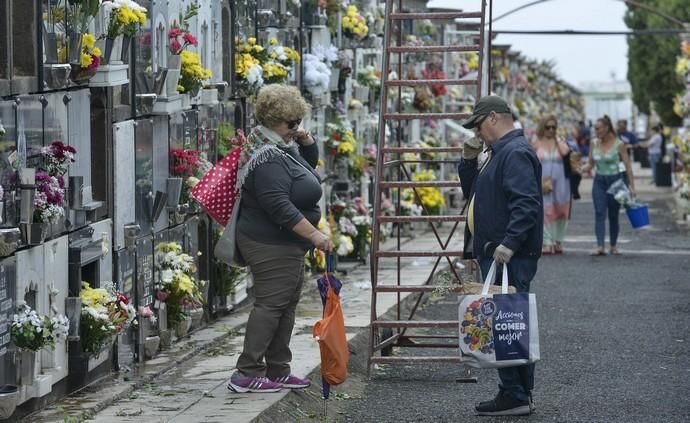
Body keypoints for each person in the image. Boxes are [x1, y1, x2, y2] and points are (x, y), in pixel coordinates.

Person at [227, 84, 333, 393]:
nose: (296, 128)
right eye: (291, 123)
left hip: (285, 243)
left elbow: (307, 168)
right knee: (271, 305)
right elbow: (279, 206)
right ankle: (246, 373)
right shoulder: (268, 156)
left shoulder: (280, 146)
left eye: (299, 121)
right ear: (274, 120)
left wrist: (305, 139)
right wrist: (314, 234)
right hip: (270, 242)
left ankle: (278, 370)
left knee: (285, 305)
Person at [458, 95, 543, 416]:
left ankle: (515, 393)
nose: (477, 133)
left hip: (507, 253)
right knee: (510, 322)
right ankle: (517, 392)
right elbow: (474, 193)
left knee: (505, 321)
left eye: (479, 125)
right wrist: (468, 161)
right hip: (496, 250)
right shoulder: (499, 152)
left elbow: (526, 203)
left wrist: (510, 242)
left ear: (494, 117)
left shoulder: (514, 152)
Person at [582, 115, 635, 256]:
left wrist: (632, 187)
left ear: (606, 128)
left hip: (615, 182)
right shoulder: (594, 143)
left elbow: (628, 167)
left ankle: (613, 246)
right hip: (599, 181)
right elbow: (590, 164)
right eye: (595, 129)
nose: (596, 131)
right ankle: (600, 246)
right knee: (599, 213)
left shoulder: (619, 144)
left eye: (598, 128)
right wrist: (579, 169)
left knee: (613, 214)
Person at [531, 115, 572, 255]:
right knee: (546, 210)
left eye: (554, 127)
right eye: (548, 127)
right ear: (543, 127)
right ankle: (547, 242)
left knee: (562, 210)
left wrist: (558, 139)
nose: (551, 130)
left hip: (562, 182)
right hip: (543, 181)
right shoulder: (536, 143)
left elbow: (566, 152)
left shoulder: (559, 142)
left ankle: (558, 241)